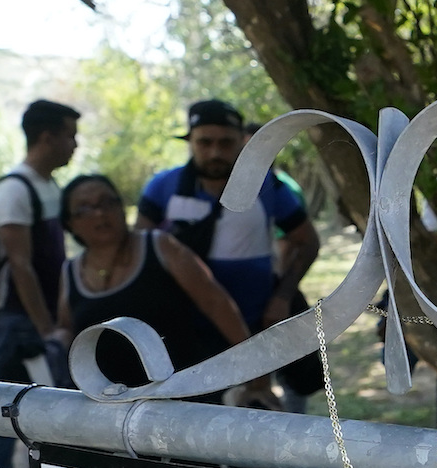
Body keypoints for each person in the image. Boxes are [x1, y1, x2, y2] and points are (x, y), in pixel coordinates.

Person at [55, 174, 269, 397]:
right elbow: (66, 328)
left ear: (122, 207)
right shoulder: (70, 272)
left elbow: (216, 303)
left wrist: (256, 368)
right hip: (108, 405)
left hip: (182, 395)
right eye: (84, 209)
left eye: (107, 202)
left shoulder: (160, 246)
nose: (100, 213)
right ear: (70, 224)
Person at [0, 99, 78, 468]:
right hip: (17, 325)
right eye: (71, 134)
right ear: (47, 137)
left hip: (35, 322)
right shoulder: (15, 190)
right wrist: (46, 327)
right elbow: (21, 265)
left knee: (47, 413)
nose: (76, 144)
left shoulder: (46, 186)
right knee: (5, 418)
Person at [136, 98, 320, 339]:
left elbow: (308, 241)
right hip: (186, 332)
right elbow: (138, 253)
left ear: (242, 141)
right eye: (205, 142)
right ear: (190, 141)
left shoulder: (266, 185)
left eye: (225, 143)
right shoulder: (162, 188)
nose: (215, 152)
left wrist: (283, 296)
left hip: (257, 326)